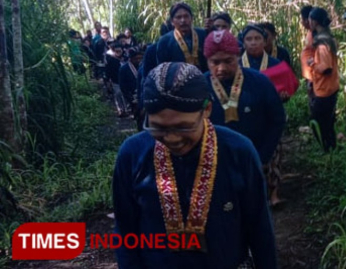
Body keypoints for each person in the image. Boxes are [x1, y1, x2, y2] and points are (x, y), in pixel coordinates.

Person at [113, 62, 277, 269]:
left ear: (207, 109)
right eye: (158, 127)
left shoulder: (238, 151)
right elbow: (125, 229)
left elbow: (260, 228)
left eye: (183, 127)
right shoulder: (132, 154)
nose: (172, 138)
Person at [203, 30, 286, 207]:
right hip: (215, 166)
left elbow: (277, 119)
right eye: (215, 62)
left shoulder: (260, 82)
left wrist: (262, 156)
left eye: (228, 61)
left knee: (254, 210)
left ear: (237, 56)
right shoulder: (199, 87)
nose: (221, 68)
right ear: (207, 60)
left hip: (255, 162)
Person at [306, 8, 340, 152]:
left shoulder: (322, 43)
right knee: (327, 122)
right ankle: (330, 149)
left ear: (314, 22)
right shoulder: (328, 38)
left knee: (319, 122)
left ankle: (327, 149)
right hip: (329, 87)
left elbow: (326, 67)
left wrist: (312, 64)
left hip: (325, 89)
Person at [156, 2, 208, 72]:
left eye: (186, 16)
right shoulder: (164, 41)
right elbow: (162, 69)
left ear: (192, 18)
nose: (183, 20)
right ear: (172, 21)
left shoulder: (203, 35)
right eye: (178, 17)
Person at [119, 47, 144, 121]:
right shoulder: (124, 69)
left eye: (140, 58)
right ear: (131, 58)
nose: (138, 60)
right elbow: (123, 86)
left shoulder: (143, 66)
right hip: (132, 96)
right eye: (136, 58)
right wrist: (130, 99)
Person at [106, 42, 128, 117]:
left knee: (125, 95)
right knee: (118, 94)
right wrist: (108, 81)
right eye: (116, 51)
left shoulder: (126, 59)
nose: (118, 53)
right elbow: (108, 71)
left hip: (125, 81)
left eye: (119, 51)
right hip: (115, 80)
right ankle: (120, 110)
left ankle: (127, 109)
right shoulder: (111, 60)